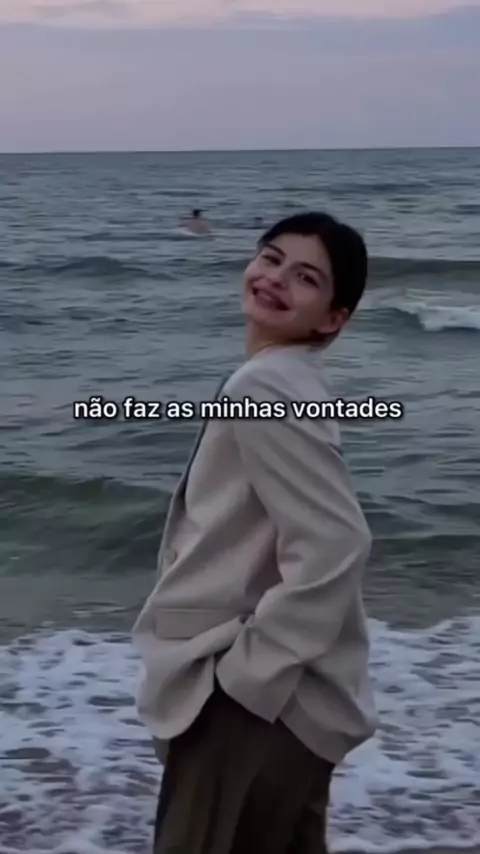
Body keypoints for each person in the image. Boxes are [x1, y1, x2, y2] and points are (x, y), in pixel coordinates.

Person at [132, 211, 378, 854]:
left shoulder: (266, 383)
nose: (275, 279)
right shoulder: (293, 379)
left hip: (255, 708)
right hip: (288, 707)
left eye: (306, 278)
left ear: (333, 319)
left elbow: (335, 541)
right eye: (270, 258)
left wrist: (247, 677)